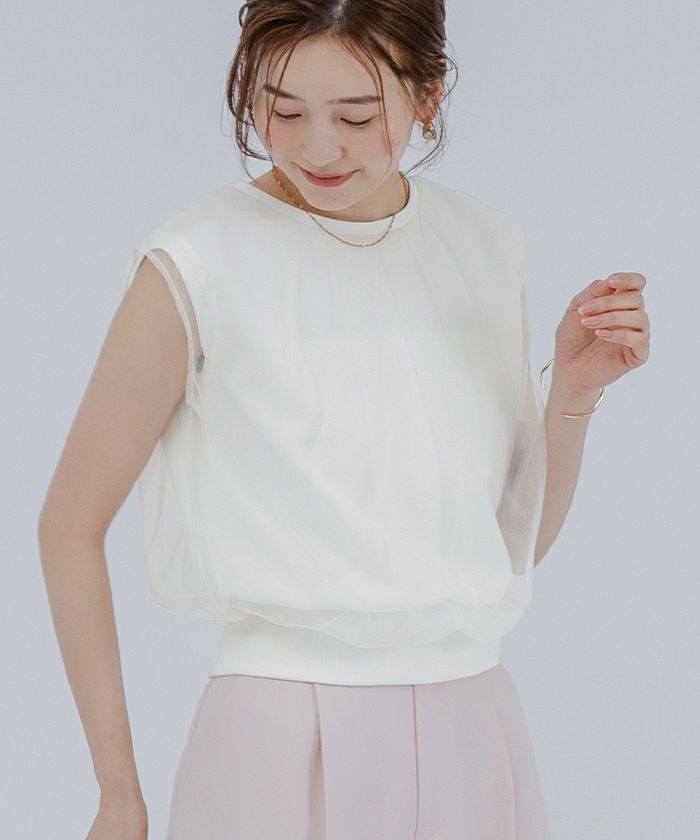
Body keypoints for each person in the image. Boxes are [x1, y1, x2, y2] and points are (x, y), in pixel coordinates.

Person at [37, 2, 650, 838]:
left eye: (356, 117)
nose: (317, 148)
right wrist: (117, 792)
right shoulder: (200, 260)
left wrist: (570, 398)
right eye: (282, 111)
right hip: (278, 732)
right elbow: (70, 527)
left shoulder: (484, 244)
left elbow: (508, 548)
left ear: (428, 96)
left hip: (475, 724)